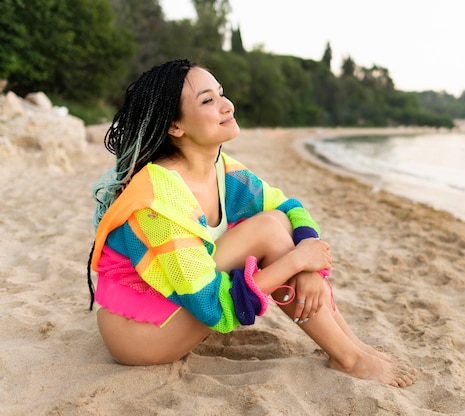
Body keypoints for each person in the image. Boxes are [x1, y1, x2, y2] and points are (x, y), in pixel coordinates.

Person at [87, 59, 416, 387]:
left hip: (175, 302)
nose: (226, 105)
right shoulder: (158, 200)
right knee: (269, 231)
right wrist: (296, 262)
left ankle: (351, 348)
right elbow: (214, 308)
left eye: (221, 93)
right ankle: (350, 356)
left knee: (274, 221)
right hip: (139, 333)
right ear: (175, 126)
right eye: (208, 100)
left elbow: (289, 208)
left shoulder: (224, 170)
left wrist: (310, 270)